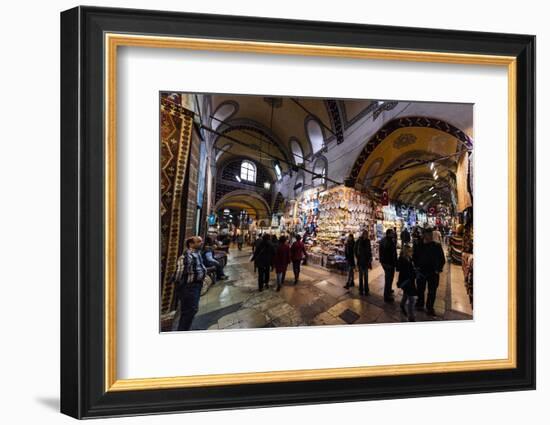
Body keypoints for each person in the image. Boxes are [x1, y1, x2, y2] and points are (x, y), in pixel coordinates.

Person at [173, 236, 207, 331]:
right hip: (189, 287)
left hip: (196, 286)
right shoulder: (187, 256)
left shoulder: (197, 254)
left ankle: (185, 328)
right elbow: (179, 274)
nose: (202, 242)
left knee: (192, 310)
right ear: (191, 244)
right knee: (189, 311)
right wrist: (182, 287)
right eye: (199, 241)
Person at [413, 228, 446, 316]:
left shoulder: (436, 246)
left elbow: (442, 259)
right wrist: (416, 268)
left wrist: (438, 270)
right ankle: (420, 304)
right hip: (421, 272)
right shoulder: (418, 245)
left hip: (433, 274)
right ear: (424, 235)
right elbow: (414, 257)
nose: (431, 236)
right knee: (420, 290)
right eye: (429, 234)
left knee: (432, 292)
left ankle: (429, 307)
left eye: (431, 234)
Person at [397, 244, 417, 321]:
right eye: (410, 251)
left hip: (410, 280)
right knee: (412, 299)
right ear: (406, 252)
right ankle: (411, 317)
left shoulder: (409, 258)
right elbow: (403, 271)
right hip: (407, 281)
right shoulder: (402, 260)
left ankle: (402, 305)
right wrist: (413, 273)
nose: (412, 253)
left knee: (406, 294)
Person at [379, 229, 398, 302]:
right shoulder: (388, 242)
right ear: (389, 234)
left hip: (386, 263)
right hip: (388, 263)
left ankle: (389, 290)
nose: (393, 234)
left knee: (390, 278)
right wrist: (393, 262)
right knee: (388, 279)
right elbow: (390, 254)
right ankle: (387, 297)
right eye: (392, 233)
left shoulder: (385, 240)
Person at [354, 230, 372, 296]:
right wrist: (357, 257)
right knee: (361, 276)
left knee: (366, 276)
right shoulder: (359, 241)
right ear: (363, 234)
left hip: (366, 262)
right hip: (361, 261)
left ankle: (366, 290)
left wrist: (370, 258)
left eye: (367, 234)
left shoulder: (368, 241)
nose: (366, 236)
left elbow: (369, 250)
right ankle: (361, 290)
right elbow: (355, 249)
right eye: (365, 234)